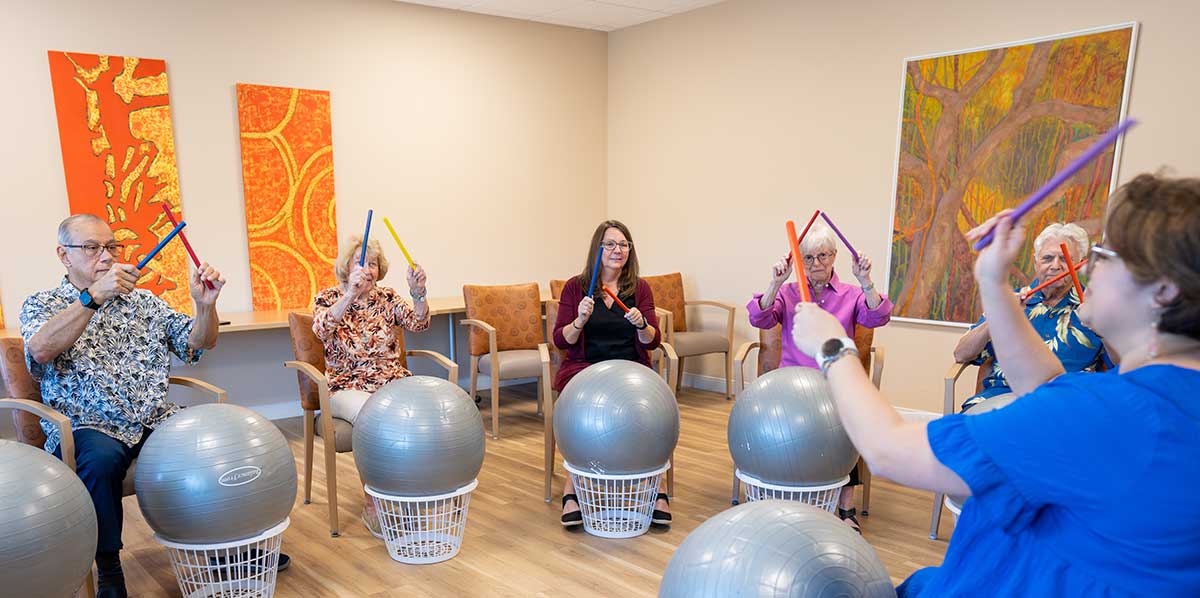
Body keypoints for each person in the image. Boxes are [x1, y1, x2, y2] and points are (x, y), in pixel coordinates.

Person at [791, 174, 1200, 596]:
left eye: (1106, 252)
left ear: (1165, 291)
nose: (1088, 265)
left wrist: (833, 348)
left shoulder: (1104, 415)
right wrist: (994, 281)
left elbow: (887, 449)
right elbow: (1050, 386)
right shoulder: (1167, 397)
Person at [19, 214, 238, 598]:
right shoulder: (43, 303)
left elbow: (198, 344)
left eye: (111, 247)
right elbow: (39, 351)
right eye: (91, 247)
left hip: (153, 417)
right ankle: (109, 569)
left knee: (212, 441)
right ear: (63, 255)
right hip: (89, 424)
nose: (105, 256)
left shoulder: (144, 303)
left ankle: (222, 547)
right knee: (99, 462)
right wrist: (92, 298)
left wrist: (205, 306)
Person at [746, 220, 892, 531]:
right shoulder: (788, 293)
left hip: (834, 382)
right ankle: (785, 496)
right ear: (799, 261)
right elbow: (759, 317)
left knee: (851, 418)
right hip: (793, 386)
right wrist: (775, 282)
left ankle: (845, 505)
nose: (817, 264)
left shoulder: (851, 294)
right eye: (809, 258)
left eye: (823, 256)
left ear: (835, 256)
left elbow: (878, 316)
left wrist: (866, 281)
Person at [551, 220, 670, 528]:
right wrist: (579, 320)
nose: (618, 250)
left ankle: (659, 487)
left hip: (631, 370)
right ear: (598, 249)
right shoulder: (576, 287)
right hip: (584, 369)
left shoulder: (639, 288)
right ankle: (572, 488)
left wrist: (642, 324)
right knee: (578, 413)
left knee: (655, 410)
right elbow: (561, 340)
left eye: (624, 245)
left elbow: (653, 341)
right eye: (611, 244)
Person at [311, 235, 429, 536]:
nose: (367, 270)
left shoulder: (387, 298)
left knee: (422, 407)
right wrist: (350, 295)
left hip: (390, 382)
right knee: (374, 414)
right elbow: (321, 330)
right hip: (346, 387)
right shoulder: (327, 298)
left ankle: (407, 489)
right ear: (346, 267)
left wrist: (418, 294)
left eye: (373, 264)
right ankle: (373, 501)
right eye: (360, 263)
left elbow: (419, 324)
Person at [953, 222, 1108, 410]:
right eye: (1048, 258)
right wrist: (1000, 314)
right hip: (1002, 399)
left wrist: (1102, 331)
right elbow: (961, 353)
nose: (1055, 266)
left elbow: (1122, 368)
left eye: (1064, 259)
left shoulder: (1097, 308)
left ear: (1079, 264)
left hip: (1064, 405)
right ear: (1036, 262)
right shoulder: (1011, 301)